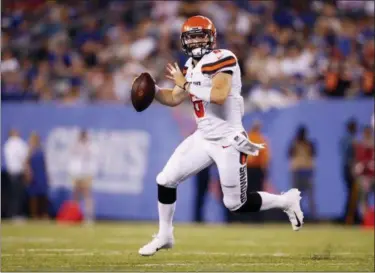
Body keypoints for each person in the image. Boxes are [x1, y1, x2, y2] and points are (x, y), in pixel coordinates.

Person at [138, 16, 304, 256]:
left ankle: (286, 201)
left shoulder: (223, 58)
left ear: (211, 38)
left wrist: (185, 85)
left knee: (235, 203)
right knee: (165, 180)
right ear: (184, 40)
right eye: (191, 36)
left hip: (228, 139)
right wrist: (152, 91)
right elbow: (174, 98)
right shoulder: (190, 65)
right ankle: (165, 235)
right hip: (203, 137)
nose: (195, 41)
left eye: (200, 35)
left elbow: (218, 95)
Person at [68, 130, 98, 225]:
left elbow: (93, 159)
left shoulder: (91, 146)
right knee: (75, 196)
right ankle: (75, 216)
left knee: (87, 195)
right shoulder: (75, 146)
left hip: (86, 173)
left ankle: (88, 217)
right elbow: (72, 159)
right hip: (77, 173)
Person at [288, 125, 317, 220]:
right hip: (297, 171)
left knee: (310, 196)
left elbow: (313, 154)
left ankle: (313, 217)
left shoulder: (310, 144)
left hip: (307, 171)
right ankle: (296, 216)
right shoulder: (294, 143)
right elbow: (289, 154)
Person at [3, 129, 29, 221]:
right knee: (19, 194)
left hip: (10, 172)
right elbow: (23, 158)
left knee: (13, 194)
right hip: (18, 172)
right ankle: (17, 214)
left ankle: (12, 213)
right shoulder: (19, 143)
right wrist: (27, 170)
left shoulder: (7, 144)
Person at [25, 132, 49, 219]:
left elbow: (44, 164)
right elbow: (26, 163)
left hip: (41, 174)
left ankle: (43, 214)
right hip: (33, 175)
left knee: (43, 195)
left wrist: (47, 175)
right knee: (33, 196)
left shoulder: (41, 150)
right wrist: (28, 173)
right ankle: (34, 215)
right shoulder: (29, 151)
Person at [354, 126, 374, 217]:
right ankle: (365, 217)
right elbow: (358, 165)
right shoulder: (360, 146)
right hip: (364, 177)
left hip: (373, 176)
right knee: (363, 188)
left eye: (369, 133)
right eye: (366, 133)